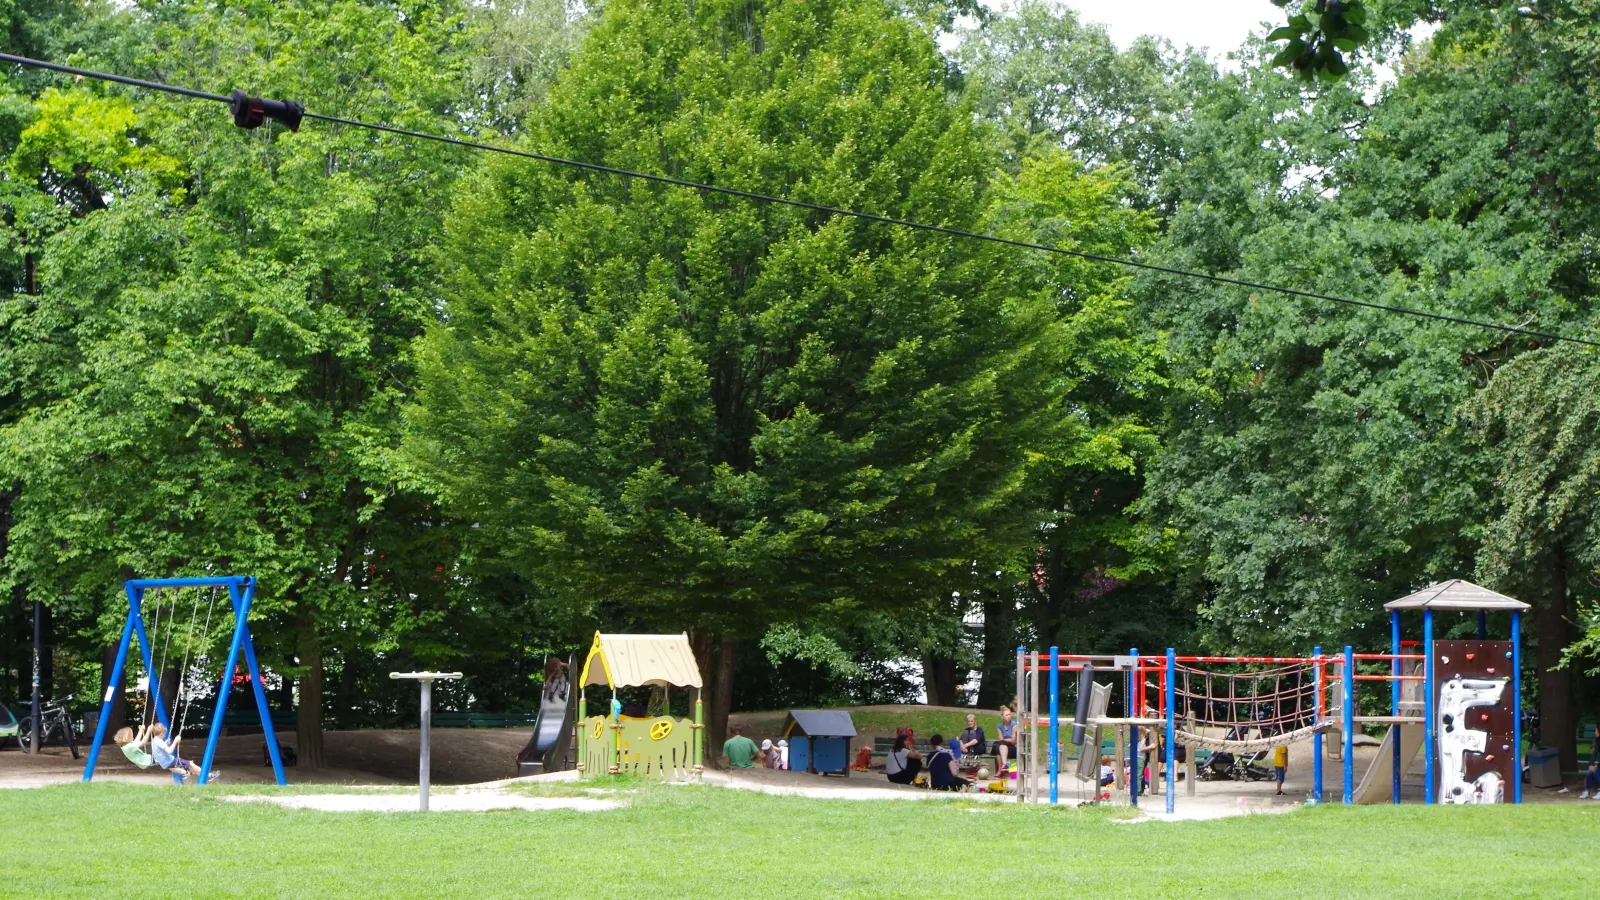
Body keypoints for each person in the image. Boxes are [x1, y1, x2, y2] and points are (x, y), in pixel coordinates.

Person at [1581, 730, 1600, 799]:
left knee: (1595, 771)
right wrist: (1591, 765)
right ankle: (1587, 791)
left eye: (1596, 731)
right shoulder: (1598, 740)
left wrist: (1597, 765)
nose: (1595, 732)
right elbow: (1594, 753)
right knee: (1590, 771)